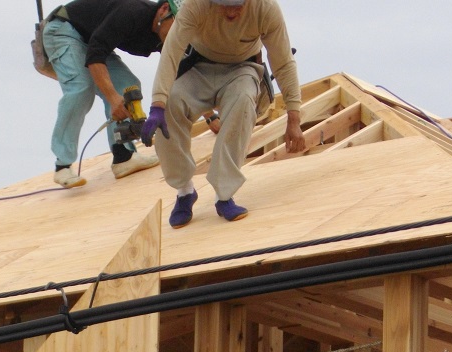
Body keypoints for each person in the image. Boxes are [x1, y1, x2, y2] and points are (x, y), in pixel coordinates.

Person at [141, 0, 305, 228]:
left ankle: (224, 195)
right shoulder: (194, 6)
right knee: (171, 106)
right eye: (224, 5)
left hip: (242, 68)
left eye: (237, 5)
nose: (231, 12)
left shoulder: (266, 8)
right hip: (200, 67)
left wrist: (294, 118)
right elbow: (171, 52)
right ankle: (184, 191)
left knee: (243, 102)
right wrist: (157, 104)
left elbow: (283, 62)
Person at [43, 0, 178, 189]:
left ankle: (124, 157)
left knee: (127, 86)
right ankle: (62, 165)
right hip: (65, 30)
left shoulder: (165, 35)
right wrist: (113, 99)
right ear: (164, 10)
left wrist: (210, 116)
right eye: (178, 25)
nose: (180, 33)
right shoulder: (132, 12)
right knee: (81, 88)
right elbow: (96, 54)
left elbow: (181, 69)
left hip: (92, 40)